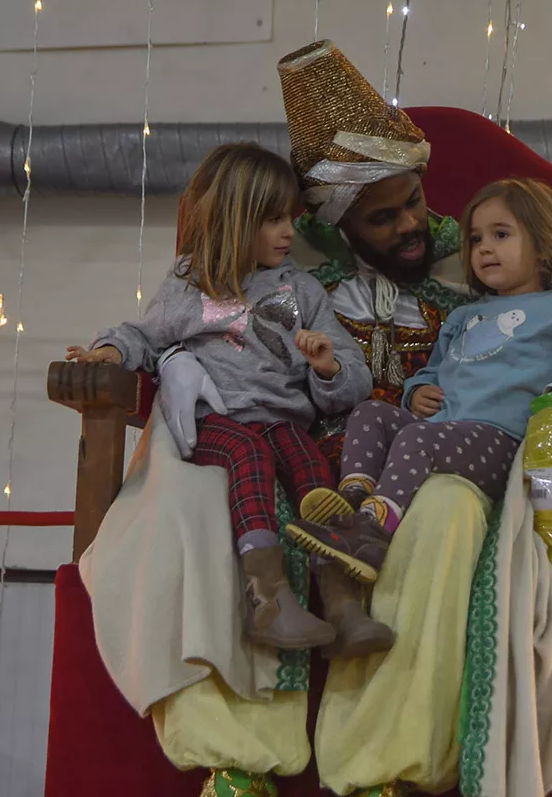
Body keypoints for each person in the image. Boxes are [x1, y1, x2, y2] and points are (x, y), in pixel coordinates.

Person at [87, 41, 552, 797]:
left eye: (415, 201)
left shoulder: (480, 262)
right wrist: (173, 361)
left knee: (447, 510)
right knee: (196, 494)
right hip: (295, 435)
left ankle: (386, 761)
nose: (414, 224)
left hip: (437, 455)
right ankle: (238, 756)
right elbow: (193, 324)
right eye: (384, 217)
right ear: (337, 224)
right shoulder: (290, 278)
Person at [67, 142, 372, 650]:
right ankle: (267, 599)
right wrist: (110, 352)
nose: (288, 233)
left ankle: (342, 604)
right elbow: (143, 335)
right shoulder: (191, 285)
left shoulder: (303, 293)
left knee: (312, 465)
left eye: (290, 218)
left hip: (284, 420)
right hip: (217, 420)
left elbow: (352, 376)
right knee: (249, 455)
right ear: (235, 220)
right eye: (272, 220)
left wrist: (329, 366)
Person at [287, 179, 552, 584]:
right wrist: (416, 392)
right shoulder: (463, 316)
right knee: (370, 414)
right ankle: (353, 504)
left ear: (544, 247)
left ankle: (373, 537)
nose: (484, 248)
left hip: (500, 442)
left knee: (415, 441)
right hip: (442, 431)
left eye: (500, 235)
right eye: (476, 238)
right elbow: (434, 370)